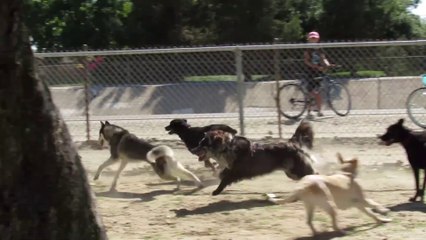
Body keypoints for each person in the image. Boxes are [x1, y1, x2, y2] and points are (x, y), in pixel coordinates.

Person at [303, 31, 334, 118]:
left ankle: (319, 110)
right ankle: (309, 111)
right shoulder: (307, 49)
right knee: (310, 91)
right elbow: (306, 61)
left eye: (315, 38)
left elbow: (323, 58)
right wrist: (315, 66)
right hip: (310, 72)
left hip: (318, 71)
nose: (313, 39)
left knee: (318, 91)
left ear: (318, 39)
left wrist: (327, 64)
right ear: (308, 39)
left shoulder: (319, 48)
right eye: (312, 38)